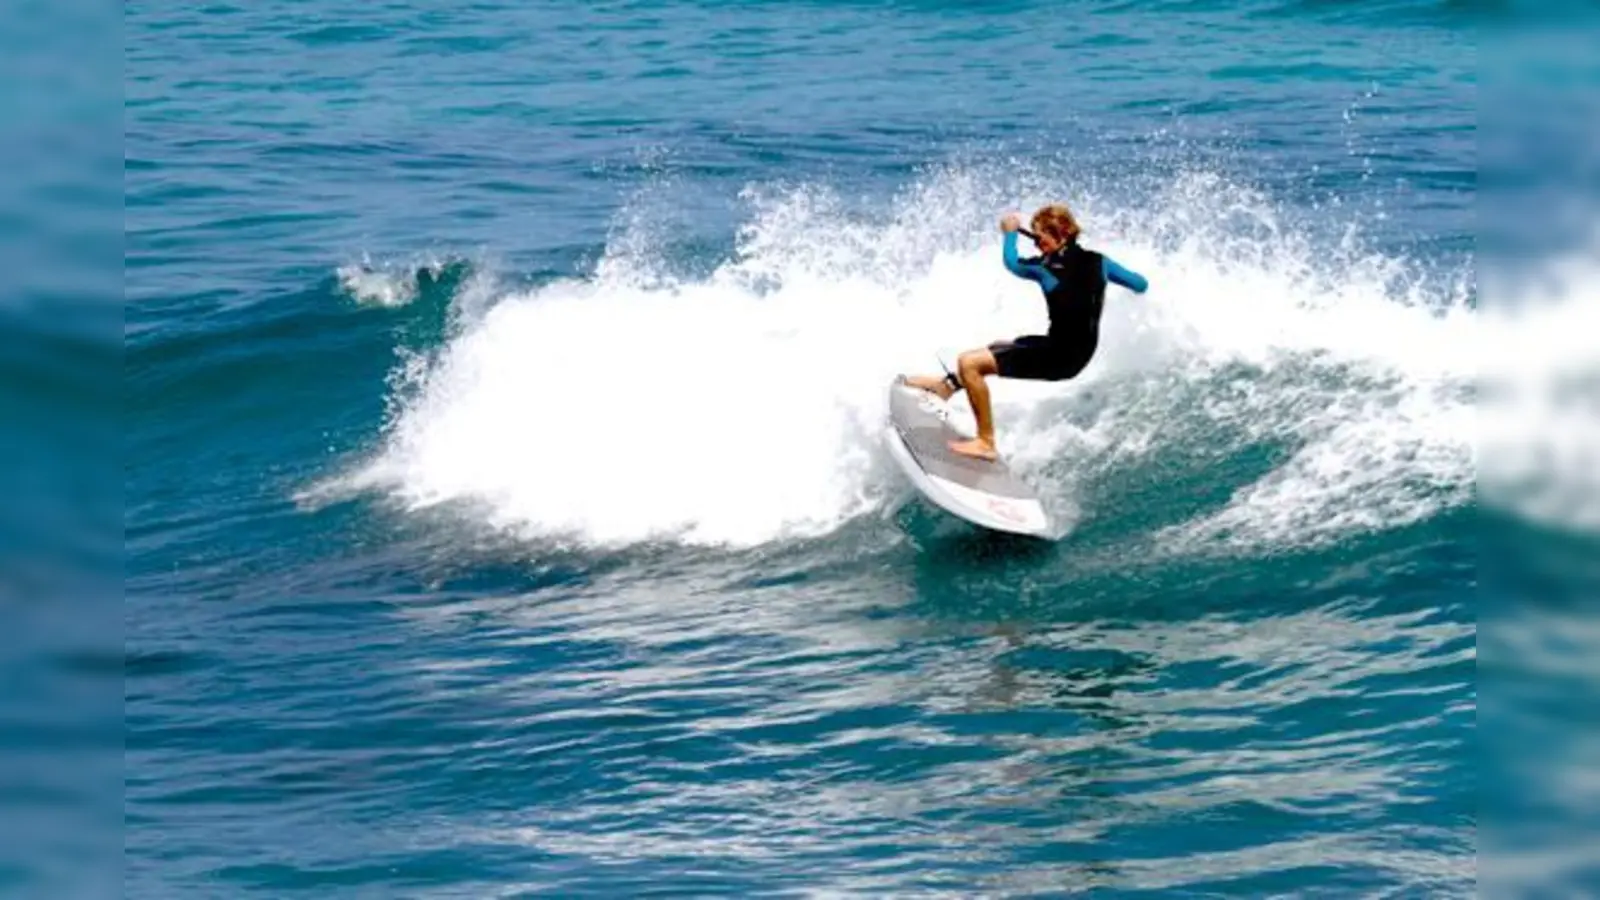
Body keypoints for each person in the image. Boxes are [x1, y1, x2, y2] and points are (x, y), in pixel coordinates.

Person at [901, 203, 1150, 461]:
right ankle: (946, 387)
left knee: (969, 362)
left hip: (1059, 358)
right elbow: (1140, 284)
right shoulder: (1100, 262)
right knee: (999, 346)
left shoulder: (1043, 269)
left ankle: (985, 442)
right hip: (1078, 352)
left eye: (1040, 238)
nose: (1036, 244)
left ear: (1061, 234)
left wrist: (1010, 233)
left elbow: (1012, 263)